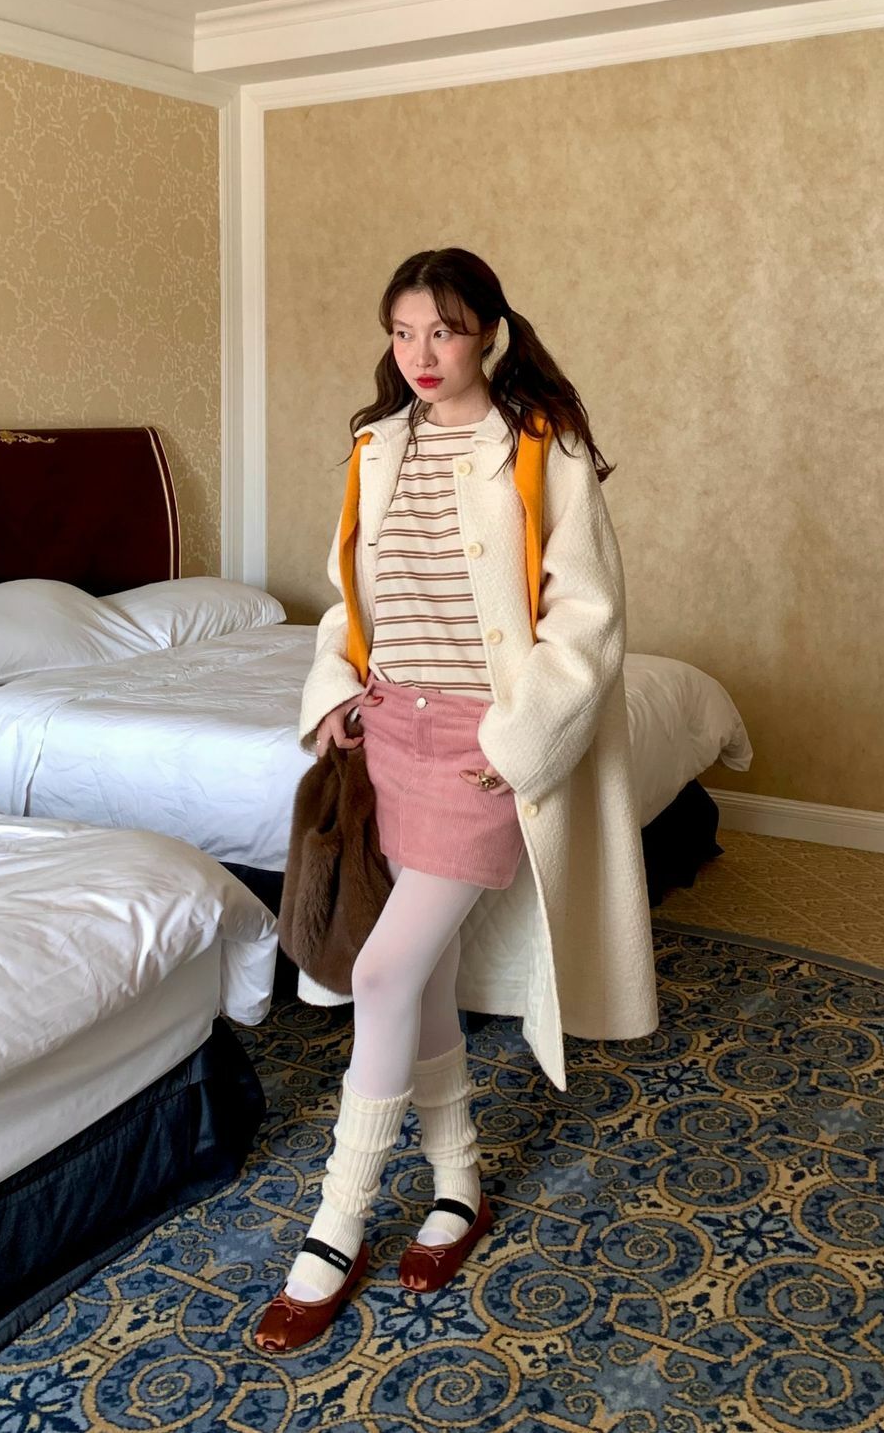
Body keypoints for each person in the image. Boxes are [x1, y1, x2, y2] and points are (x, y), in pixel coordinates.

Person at [254, 246, 658, 1354]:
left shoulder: (541, 447)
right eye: (402, 332)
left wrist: (516, 743)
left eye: (443, 330)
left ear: (490, 332)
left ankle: (335, 1225)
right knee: (419, 973)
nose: (420, 354)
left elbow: (588, 619)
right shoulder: (376, 445)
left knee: (383, 970)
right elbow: (348, 596)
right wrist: (336, 694)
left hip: (483, 742)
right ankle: (459, 1185)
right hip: (391, 731)